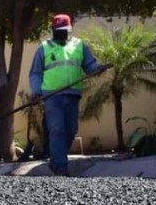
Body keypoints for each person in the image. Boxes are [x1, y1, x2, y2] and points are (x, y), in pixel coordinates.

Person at [29, 13, 106, 176]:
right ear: (53, 30)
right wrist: (36, 92)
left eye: (64, 30)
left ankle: (55, 158)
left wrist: (97, 69)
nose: (61, 34)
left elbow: (89, 66)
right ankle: (60, 166)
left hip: (72, 94)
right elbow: (35, 73)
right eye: (58, 31)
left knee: (71, 129)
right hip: (52, 96)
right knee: (56, 129)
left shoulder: (80, 46)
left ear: (70, 29)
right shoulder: (44, 48)